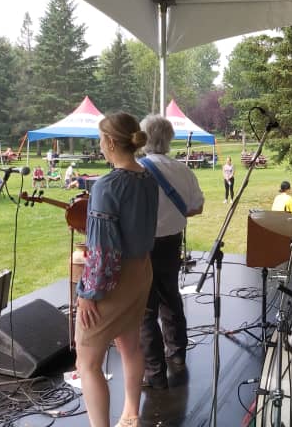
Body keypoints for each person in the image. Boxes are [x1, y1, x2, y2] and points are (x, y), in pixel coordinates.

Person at [74, 112, 158, 427]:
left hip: (114, 280)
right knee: (130, 343)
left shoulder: (107, 185)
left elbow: (104, 253)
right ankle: (131, 414)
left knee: (87, 361)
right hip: (141, 272)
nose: (99, 144)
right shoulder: (148, 178)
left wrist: (87, 294)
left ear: (109, 141)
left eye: (100, 139)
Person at [138, 114, 205, 389]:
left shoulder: (137, 169)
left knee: (145, 310)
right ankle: (177, 354)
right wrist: (172, 213)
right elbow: (197, 207)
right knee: (170, 296)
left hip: (143, 246)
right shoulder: (183, 170)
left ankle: (154, 373)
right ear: (169, 139)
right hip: (172, 242)